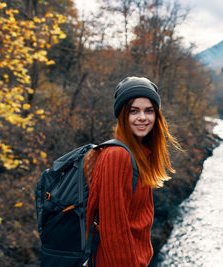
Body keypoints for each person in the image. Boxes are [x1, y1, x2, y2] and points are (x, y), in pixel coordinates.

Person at [84, 76, 180, 267]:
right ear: (122, 116)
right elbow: (113, 232)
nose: (142, 117)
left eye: (149, 111)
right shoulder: (117, 157)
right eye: (133, 111)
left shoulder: (141, 156)